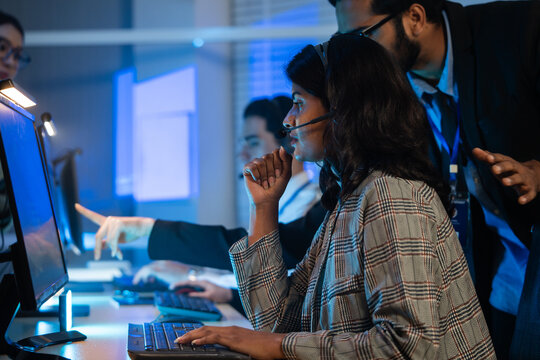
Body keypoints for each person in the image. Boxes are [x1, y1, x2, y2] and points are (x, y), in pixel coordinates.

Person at [175, 34, 494, 359]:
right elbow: (274, 323)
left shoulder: (391, 196)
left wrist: (275, 346)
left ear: (341, 109)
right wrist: (264, 207)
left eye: (298, 103)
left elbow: (405, 347)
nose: (288, 120)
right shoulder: (350, 200)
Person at [328, 0, 540, 358]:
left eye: (365, 36)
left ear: (414, 18)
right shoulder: (391, 93)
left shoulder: (521, 30)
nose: (358, 56)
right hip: (497, 280)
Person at [76, 96, 321, 306]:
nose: (243, 154)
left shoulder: (309, 207)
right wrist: (190, 271)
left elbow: (268, 272)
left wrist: (192, 276)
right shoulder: (280, 203)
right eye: (242, 144)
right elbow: (248, 256)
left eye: (253, 142)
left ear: (289, 141)